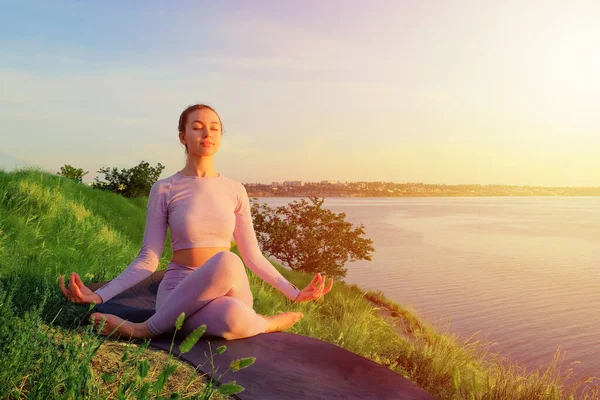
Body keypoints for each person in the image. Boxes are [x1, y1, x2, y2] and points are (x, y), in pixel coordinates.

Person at [59, 103, 334, 340]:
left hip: (229, 290)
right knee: (233, 310)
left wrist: (295, 293)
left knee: (233, 298)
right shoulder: (165, 188)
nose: (207, 133)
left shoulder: (235, 189)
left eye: (214, 128)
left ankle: (144, 329)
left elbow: (253, 257)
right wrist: (99, 296)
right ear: (183, 136)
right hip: (178, 290)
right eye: (198, 127)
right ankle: (262, 323)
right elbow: (148, 259)